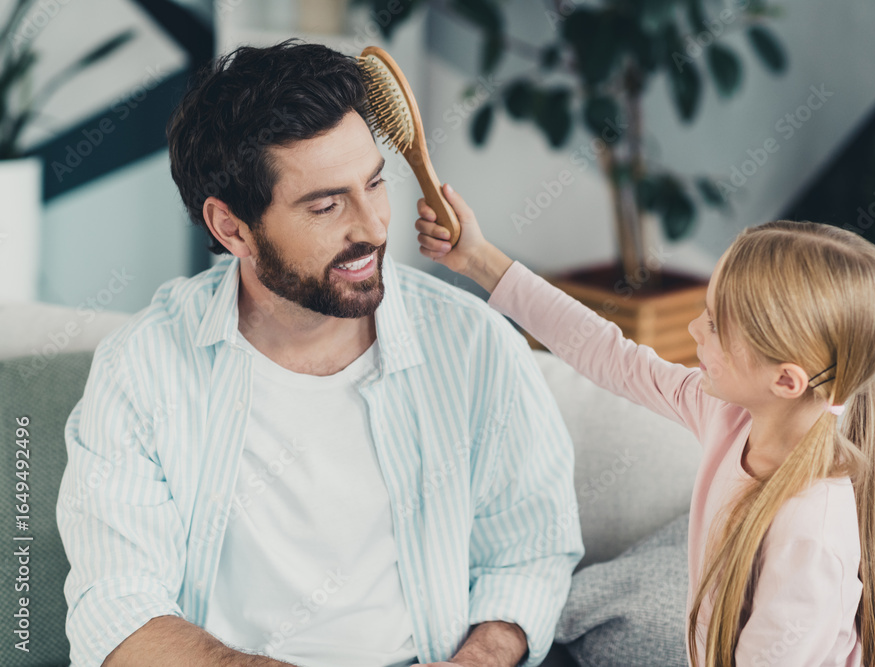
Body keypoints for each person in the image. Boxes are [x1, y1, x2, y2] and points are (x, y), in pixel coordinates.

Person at [56, 40, 583, 667]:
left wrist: (481, 658)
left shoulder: (476, 346)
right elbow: (118, 613)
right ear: (231, 228)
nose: (374, 228)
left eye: (375, 184)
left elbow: (529, 552)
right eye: (326, 205)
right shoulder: (140, 369)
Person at [415, 186, 875, 667]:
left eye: (714, 324)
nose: (694, 329)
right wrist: (479, 259)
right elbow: (608, 353)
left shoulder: (810, 536)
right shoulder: (729, 416)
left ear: (785, 380)